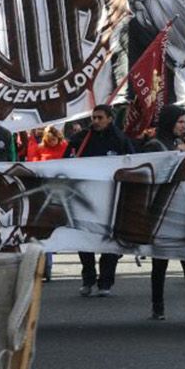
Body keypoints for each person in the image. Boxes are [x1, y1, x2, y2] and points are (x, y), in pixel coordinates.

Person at [138, 105, 185, 322]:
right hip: (160, 212)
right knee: (160, 261)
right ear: (170, 122)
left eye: (184, 122)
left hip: (181, 209)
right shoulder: (154, 145)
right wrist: (174, 158)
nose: (183, 125)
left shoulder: (180, 144)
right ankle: (158, 306)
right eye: (179, 121)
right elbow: (150, 174)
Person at [65, 105, 134, 297]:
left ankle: (106, 281)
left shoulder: (120, 140)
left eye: (99, 118)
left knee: (110, 240)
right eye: (93, 117)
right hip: (84, 197)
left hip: (110, 198)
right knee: (83, 238)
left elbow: (132, 164)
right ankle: (88, 277)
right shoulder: (81, 139)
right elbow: (65, 162)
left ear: (110, 119)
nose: (95, 121)